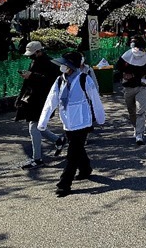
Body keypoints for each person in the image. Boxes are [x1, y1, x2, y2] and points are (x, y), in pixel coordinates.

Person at [38, 51, 105, 197]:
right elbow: (51, 101)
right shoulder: (59, 80)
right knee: (77, 148)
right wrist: (43, 121)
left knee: (72, 153)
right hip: (68, 121)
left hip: (82, 121)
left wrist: (100, 118)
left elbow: (95, 99)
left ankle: (64, 184)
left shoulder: (84, 79)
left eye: (65, 64)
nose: (63, 67)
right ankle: (85, 168)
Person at [14, 41, 66, 169]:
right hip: (33, 99)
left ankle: (37, 159)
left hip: (43, 99)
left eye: (32, 53)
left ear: (39, 51)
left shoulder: (50, 63)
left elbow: (50, 81)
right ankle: (58, 140)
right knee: (38, 126)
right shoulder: (36, 61)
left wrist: (32, 76)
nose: (30, 56)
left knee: (34, 127)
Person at [115, 36, 146, 145]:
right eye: (136, 47)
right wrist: (123, 75)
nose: (138, 50)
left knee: (140, 111)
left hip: (141, 87)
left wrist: (137, 76)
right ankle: (136, 127)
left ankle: (139, 134)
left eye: (140, 48)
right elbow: (118, 69)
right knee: (131, 112)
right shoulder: (126, 56)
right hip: (128, 87)